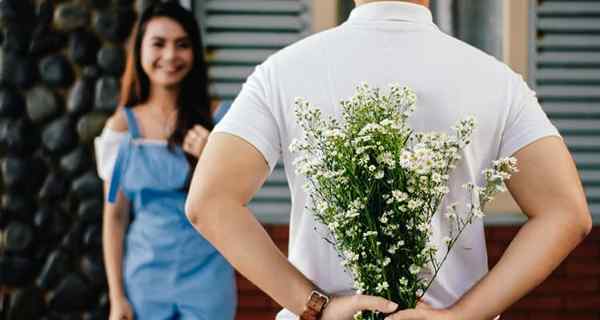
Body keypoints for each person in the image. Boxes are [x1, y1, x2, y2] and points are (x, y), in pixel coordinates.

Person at [185, 0, 592, 319]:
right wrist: (462, 315)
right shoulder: (497, 80)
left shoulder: (282, 71)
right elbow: (567, 214)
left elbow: (209, 202)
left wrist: (317, 307)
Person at [94, 2, 236, 319]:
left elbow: (238, 202)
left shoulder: (222, 120)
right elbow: (114, 218)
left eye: (182, 44)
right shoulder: (121, 128)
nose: (170, 56)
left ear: (195, 53)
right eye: (158, 43)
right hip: (143, 281)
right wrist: (117, 298)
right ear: (140, 50)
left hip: (209, 278)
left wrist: (211, 159)